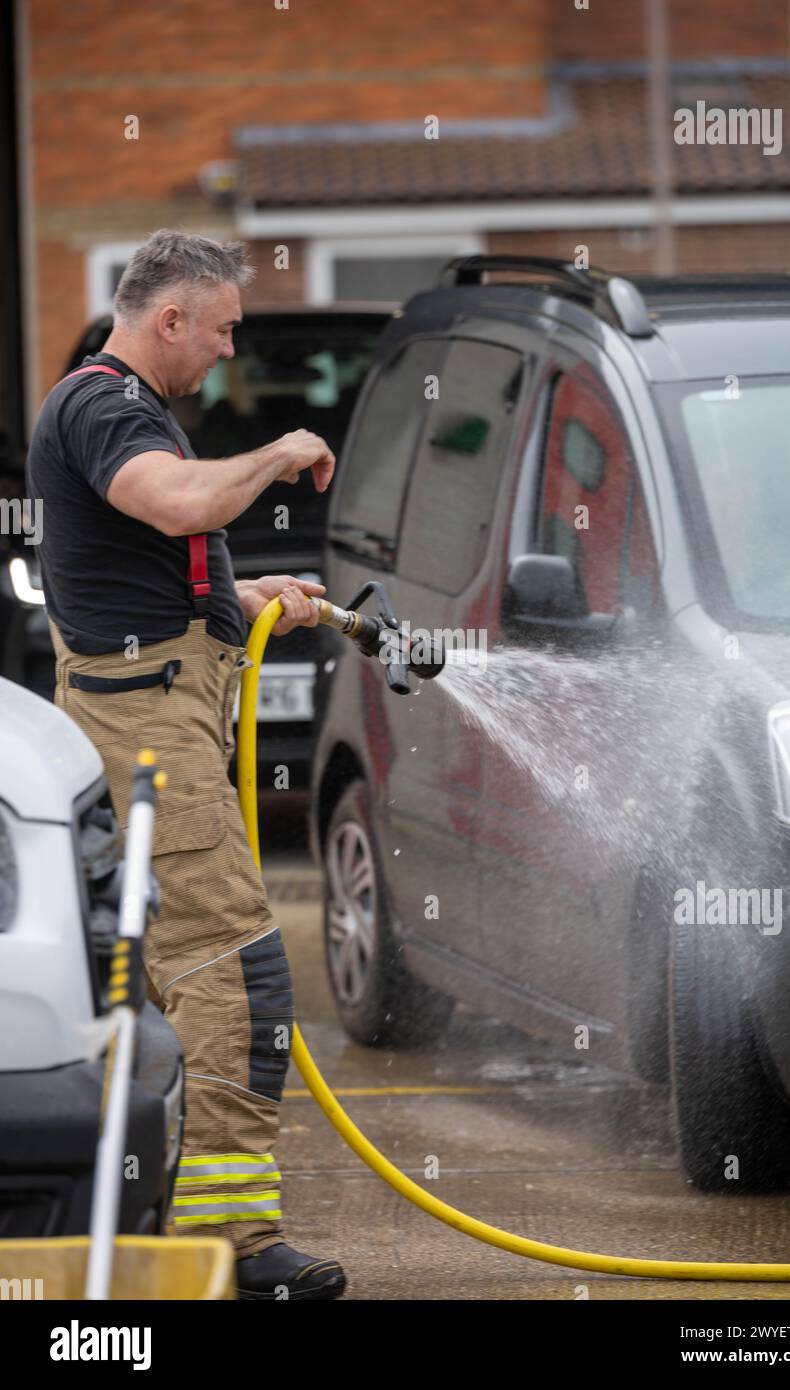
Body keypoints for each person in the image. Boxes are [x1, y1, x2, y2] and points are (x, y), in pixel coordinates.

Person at [25, 229, 344, 1301]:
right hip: (149, 734)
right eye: (221, 330)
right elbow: (176, 504)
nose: (225, 351)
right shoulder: (104, 406)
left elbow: (143, 572)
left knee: (171, 979)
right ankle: (238, 1249)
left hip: (164, 714)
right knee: (231, 974)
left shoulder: (125, 408)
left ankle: (184, 1230)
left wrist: (243, 601)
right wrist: (280, 452)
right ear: (170, 320)